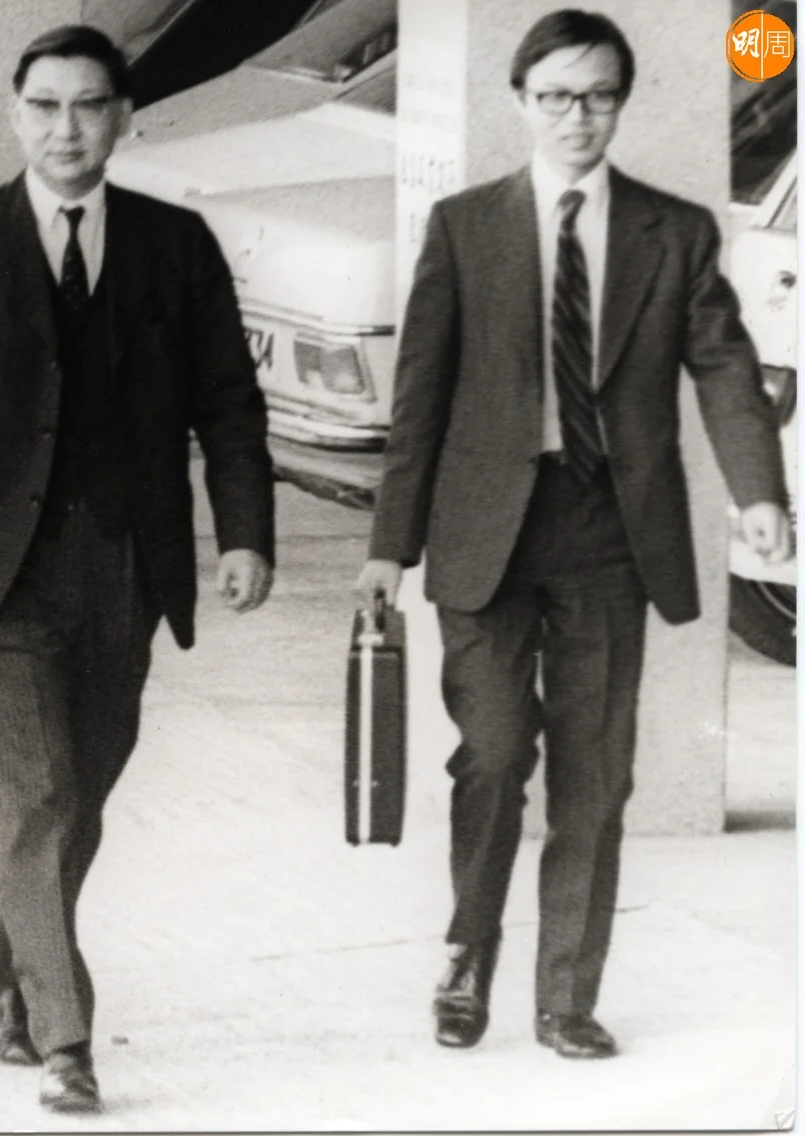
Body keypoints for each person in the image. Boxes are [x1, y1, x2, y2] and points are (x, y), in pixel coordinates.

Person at [0, 25, 274, 1115]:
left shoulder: (176, 244)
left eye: (89, 106)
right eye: (44, 106)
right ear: (15, 116)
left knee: (83, 789)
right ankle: (63, 1034)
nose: (66, 129)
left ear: (123, 119)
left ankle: (8, 963)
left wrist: (244, 532)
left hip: (125, 562)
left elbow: (229, 402)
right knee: (39, 791)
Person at [356, 9, 791, 1060]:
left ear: (620, 102)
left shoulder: (674, 231)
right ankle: (468, 951)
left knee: (595, 775)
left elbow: (724, 366)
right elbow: (419, 397)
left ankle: (566, 996)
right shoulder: (465, 227)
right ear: (521, 102)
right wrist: (387, 546)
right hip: (486, 535)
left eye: (597, 95)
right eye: (555, 96)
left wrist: (758, 491)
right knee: (493, 754)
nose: (577, 116)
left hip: (608, 532)